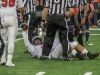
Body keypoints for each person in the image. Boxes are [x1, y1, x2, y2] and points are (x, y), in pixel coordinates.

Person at [21, 24, 99, 60]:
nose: (37, 41)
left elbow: (55, 41)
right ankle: (78, 55)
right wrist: (24, 32)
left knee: (74, 43)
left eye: (38, 40)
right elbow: (27, 44)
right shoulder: (35, 49)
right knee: (64, 43)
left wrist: (57, 31)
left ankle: (89, 55)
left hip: (56, 51)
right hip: (53, 55)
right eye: (36, 41)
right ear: (33, 43)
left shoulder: (46, 43)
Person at [0, 0, 24, 67]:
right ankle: (9, 60)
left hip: (2, 19)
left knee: (3, 40)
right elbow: (22, 8)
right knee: (11, 40)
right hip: (12, 18)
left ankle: (3, 59)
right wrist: (21, 14)